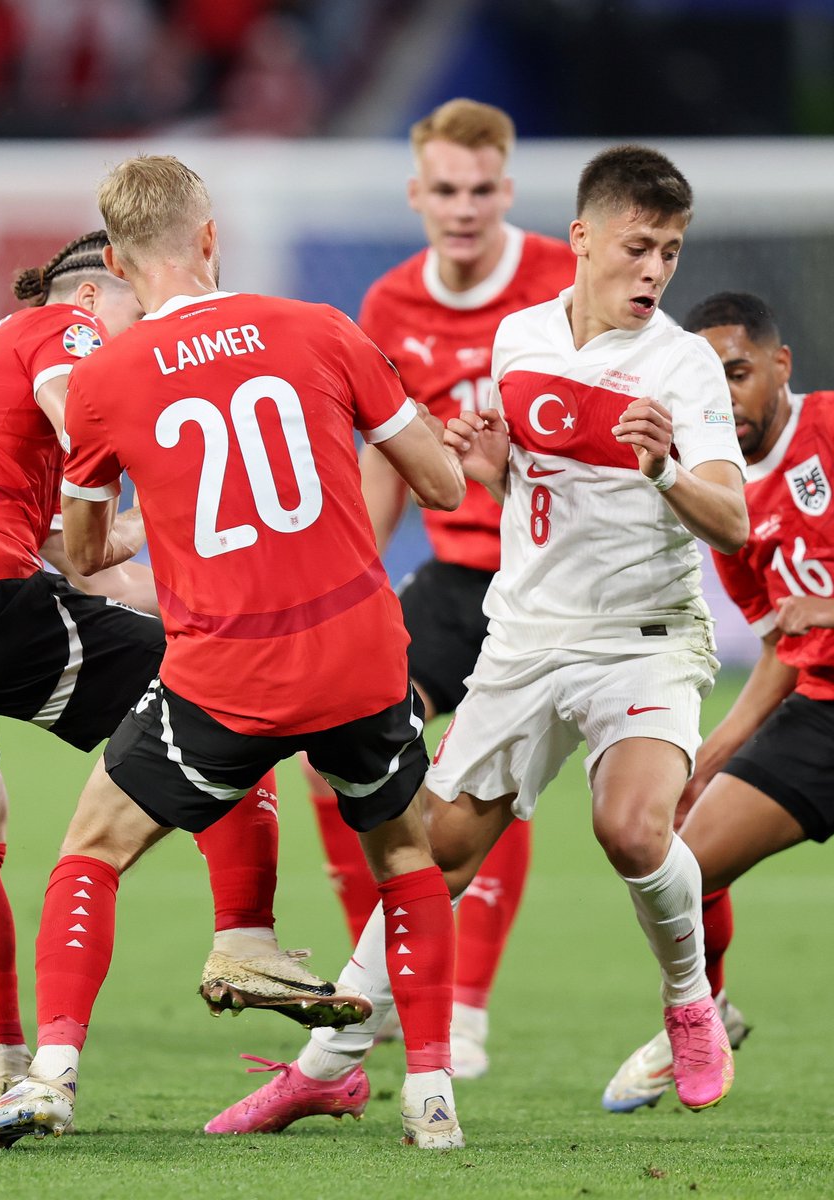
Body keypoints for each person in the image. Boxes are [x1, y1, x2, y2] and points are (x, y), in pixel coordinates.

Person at [202, 143, 749, 1139]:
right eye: (638, 248)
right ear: (583, 239)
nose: (656, 271)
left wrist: (667, 473)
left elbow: (735, 520)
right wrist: (499, 468)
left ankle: (688, 1003)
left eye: (670, 252)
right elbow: (538, 498)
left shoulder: (683, 362)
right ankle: (326, 1068)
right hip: (527, 635)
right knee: (433, 856)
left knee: (631, 830)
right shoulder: (519, 340)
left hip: (644, 640)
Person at [0, 154, 469, 1151]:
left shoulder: (105, 379)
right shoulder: (321, 327)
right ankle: (432, 1097)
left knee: (87, 846)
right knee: (405, 855)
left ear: (113, 258)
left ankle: (44, 1074)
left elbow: (90, 550)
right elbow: (443, 487)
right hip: (360, 653)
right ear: (209, 235)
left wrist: (169, 511)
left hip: (227, 677)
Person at [0, 232, 345, 1114]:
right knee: (226, 701)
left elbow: (92, 562)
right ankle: (246, 933)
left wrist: (218, 592)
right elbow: (75, 406)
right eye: (138, 308)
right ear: (96, 295)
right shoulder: (67, 327)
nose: (148, 326)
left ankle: (11, 1071)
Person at [298, 97, 575, 1079]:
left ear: (507, 190)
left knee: (482, 773)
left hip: (549, 573)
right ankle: (370, 986)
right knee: (339, 749)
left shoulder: (562, 284)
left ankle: (460, 1007)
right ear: (417, 193)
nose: (463, 207)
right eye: (445, 190)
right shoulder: (389, 306)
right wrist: (354, 591)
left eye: (482, 189)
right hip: (455, 574)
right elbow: (382, 460)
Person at [601, 290, 834, 1112]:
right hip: (831, 701)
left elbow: (824, 610)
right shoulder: (723, 496)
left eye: (736, 371)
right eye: (706, 378)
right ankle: (704, 1014)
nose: (724, 393)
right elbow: (783, 642)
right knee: (685, 867)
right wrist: (722, 745)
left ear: (780, 367)